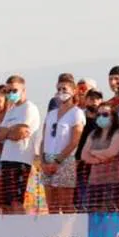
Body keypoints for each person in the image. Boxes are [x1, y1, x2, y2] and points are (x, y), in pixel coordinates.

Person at [0, 76, 42, 214]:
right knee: (7, 203)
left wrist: (7, 132)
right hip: (6, 159)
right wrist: (10, 131)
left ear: (23, 90)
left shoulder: (30, 108)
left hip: (21, 160)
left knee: (17, 201)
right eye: (8, 91)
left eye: (14, 90)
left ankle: (22, 231)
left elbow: (19, 134)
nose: (11, 94)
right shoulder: (10, 110)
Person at [40, 77, 85, 213]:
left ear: (74, 91)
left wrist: (58, 161)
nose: (61, 92)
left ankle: (69, 232)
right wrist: (43, 161)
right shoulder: (51, 114)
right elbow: (44, 138)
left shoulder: (77, 113)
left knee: (65, 203)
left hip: (65, 159)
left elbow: (74, 141)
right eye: (58, 89)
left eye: (64, 89)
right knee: (51, 205)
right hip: (47, 158)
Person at [82, 103, 119, 212]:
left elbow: (112, 152)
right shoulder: (93, 134)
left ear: (113, 116)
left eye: (105, 114)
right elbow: (84, 155)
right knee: (93, 212)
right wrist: (99, 159)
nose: (101, 117)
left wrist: (93, 152)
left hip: (115, 180)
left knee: (113, 211)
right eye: (98, 115)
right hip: (95, 180)